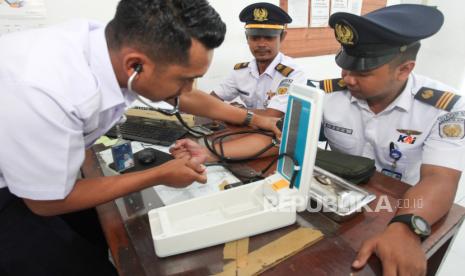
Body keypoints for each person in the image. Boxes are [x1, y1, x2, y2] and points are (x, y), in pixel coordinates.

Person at [171, 4, 465, 275]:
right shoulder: (326, 94)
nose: (348, 79)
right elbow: (279, 138)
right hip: (334, 200)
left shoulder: (445, 109)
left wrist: (405, 228)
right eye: (345, 66)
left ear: (404, 69)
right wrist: (210, 153)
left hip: (404, 203)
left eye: (362, 72)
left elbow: (440, 177)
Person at [0, 0, 280, 275]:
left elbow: (190, 97)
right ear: (135, 65)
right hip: (14, 196)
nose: (188, 89)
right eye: (184, 79)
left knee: (97, 234)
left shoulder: (108, 48)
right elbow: (45, 202)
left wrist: (255, 119)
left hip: (32, 171)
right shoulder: (47, 90)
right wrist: (158, 174)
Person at [210, 2, 308, 117]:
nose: (261, 44)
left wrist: (237, 111)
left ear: (282, 37)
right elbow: (212, 99)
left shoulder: (293, 73)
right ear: (247, 38)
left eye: (269, 37)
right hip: (246, 128)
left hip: (276, 133)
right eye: (255, 38)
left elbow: (273, 115)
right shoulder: (240, 71)